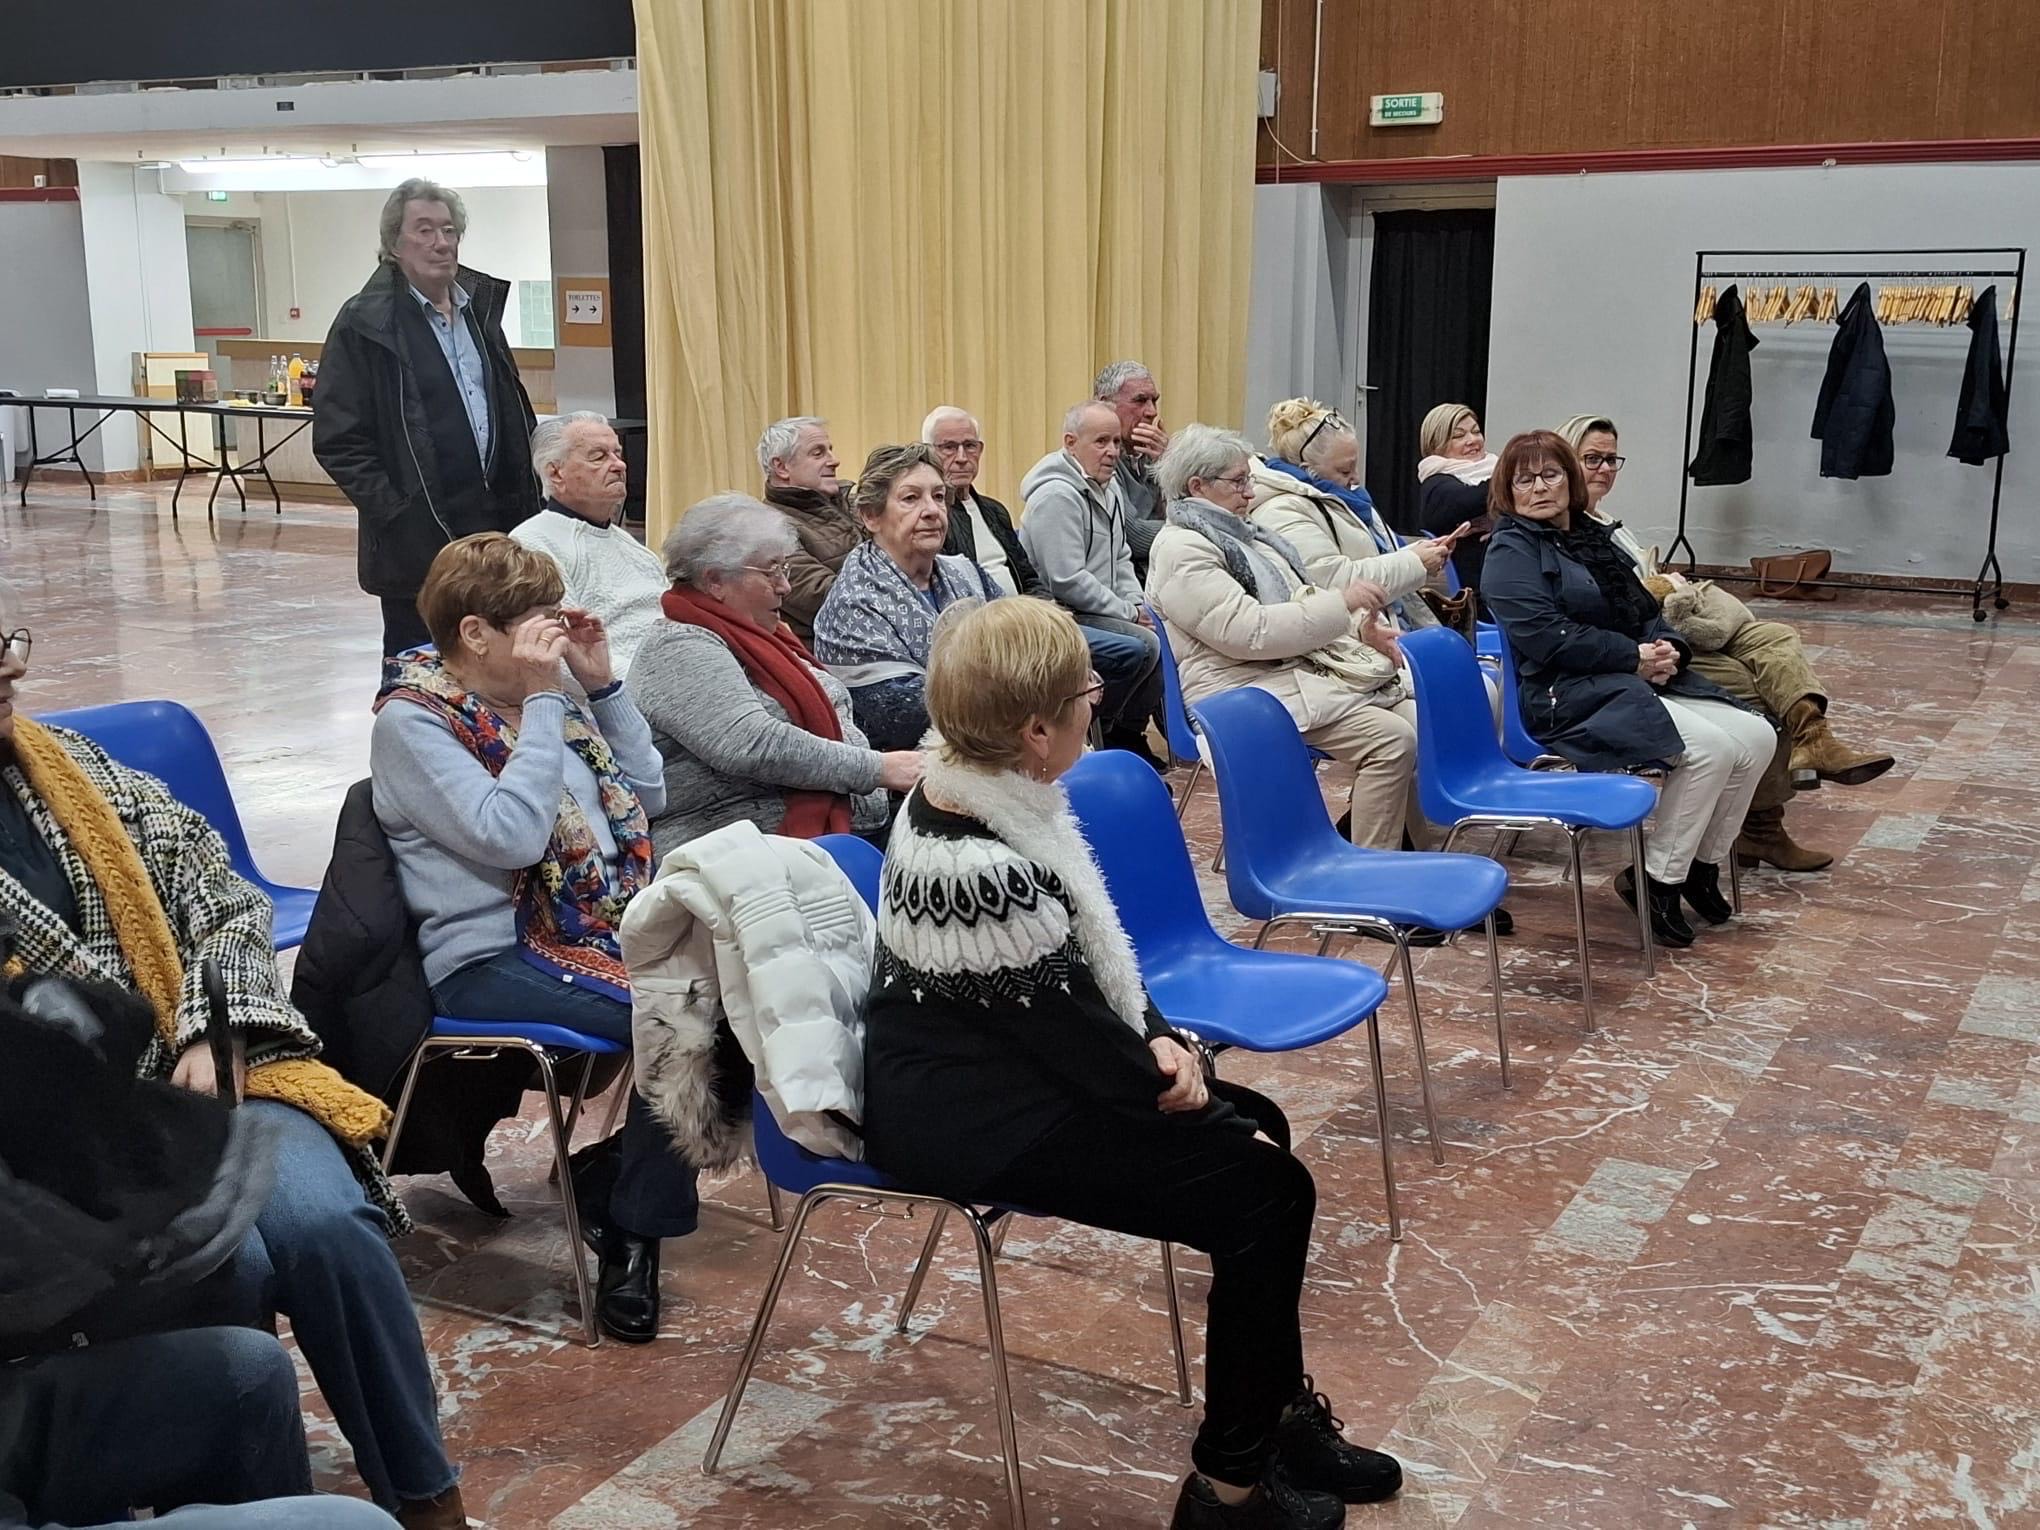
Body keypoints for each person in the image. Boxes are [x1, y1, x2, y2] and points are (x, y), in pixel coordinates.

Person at [862, 597, 1402, 1530]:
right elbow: (1073, 1035)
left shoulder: (983, 785)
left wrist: (1162, 1036)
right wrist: (1183, 1081)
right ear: (1036, 730)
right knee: (1267, 1193)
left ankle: (1276, 1418)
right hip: (969, 1117)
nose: (1098, 697)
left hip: (1017, 1068)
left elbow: (1095, 955)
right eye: (1086, 690)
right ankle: (1227, 1488)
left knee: (1263, 1140)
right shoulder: (976, 867)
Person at [0, 592, 464, 1527]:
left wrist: (214, 1028)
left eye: (6, 640)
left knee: (331, 1231)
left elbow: (224, 895)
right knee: (230, 1265)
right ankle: (247, 1498)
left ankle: (426, 1496)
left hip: (224, 1065)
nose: (12, 666)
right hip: (86, 1150)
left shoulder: (71, 765)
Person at [370, 534, 698, 1345]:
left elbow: (647, 794)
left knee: (759, 994)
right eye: (537, 619)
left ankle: (607, 1175)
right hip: (486, 955)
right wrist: (550, 699)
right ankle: (633, 1240)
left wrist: (602, 684)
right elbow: (512, 836)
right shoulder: (415, 721)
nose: (555, 631)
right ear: (476, 633)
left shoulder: (550, 696)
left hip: (596, 929)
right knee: (680, 1024)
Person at [1557, 414, 1893, 872]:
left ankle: (1815, 737)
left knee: (1776, 637)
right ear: (1567, 460)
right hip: (1641, 648)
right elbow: (1604, 604)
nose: (1604, 469)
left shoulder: (1610, 523)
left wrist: (1668, 587)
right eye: (1592, 458)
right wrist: (1663, 589)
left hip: (1670, 626)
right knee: (1758, 691)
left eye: (1612, 459)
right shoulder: (1566, 529)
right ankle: (1762, 829)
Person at [1480, 432, 1777, 948]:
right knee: (1709, 749)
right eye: (1523, 480)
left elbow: (1645, 609)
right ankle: (1656, 880)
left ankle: (1700, 867)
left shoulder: (1591, 538)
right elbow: (1547, 637)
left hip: (1622, 676)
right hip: (1563, 695)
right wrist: (1632, 658)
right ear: (1507, 491)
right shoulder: (1510, 551)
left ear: (1570, 480)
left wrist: (1667, 649)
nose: (1539, 488)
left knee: (1756, 737)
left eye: (1550, 474)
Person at [1144, 425, 1419, 856]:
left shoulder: (1243, 533)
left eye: (1248, 479)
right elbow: (1251, 634)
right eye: (1238, 481)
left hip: (1288, 671)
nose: (1250, 492)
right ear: (1197, 486)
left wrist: (1359, 629)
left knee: (1422, 723)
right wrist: (1343, 604)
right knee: (1392, 742)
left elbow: (1298, 601)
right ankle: (1373, 876)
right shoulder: (1182, 549)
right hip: (1240, 690)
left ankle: (1418, 853)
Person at [315, 178, 539, 660]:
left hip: (495, 533)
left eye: (449, 230)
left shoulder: (479, 313)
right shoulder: (364, 322)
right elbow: (338, 440)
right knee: (420, 672)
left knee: (499, 666)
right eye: (424, 230)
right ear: (394, 244)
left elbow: (512, 410)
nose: (441, 242)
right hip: (416, 543)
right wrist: (399, 516)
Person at [627, 493, 923, 857]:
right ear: (715, 580)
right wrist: (878, 769)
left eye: (785, 569)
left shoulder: (769, 637)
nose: (785, 586)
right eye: (772, 572)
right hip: (736, 857)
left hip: (829, 841)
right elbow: (751, 743)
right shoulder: (678, 645)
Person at [811, 445, 1005, 751]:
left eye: (938, 496)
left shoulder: (965, 573)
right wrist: (1018, 686)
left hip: (992, 738)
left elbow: (1022, 642)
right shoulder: (853, 604)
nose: (932, 510)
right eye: (911, 498)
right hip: (908, 764)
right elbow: (907, 716)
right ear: (871, 516)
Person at [1018, 402, 1166, 765]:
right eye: (1101, 442)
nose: (1113, 451)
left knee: (1162, 629)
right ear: (1071, 443)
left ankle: (1128, 733)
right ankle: (1102, 731)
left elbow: (1121, 557)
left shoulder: (1109, 489)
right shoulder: (1056, 496)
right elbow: (1066, 580)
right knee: (1144, 644)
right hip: (1063, 613)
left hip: (1101, 607)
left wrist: (1137, 604)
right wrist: (1126, 612)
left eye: (1116, 442)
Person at [1256, 399, 1452, 633]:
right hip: (1353, 637)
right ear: (1308, 470)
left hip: (1387, 623)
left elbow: (1378, 557)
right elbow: (1336, 583)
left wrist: (1421, 552)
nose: (1356, 478)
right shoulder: (1282, 511)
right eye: (1345, 470)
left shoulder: (1350, 500)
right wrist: (1416, 562)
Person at [510, 412, 667, 679]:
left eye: (618, 453)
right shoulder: (531, 544)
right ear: (555, 473)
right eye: (599, 457)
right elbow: (558, 651)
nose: (619, 465)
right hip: (619, 689)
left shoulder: (634, 548)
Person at [757, 416, 863, 641]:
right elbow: (827, 597)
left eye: (830, 450)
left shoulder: (855, 504)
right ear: (781, 467)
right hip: (836, 651)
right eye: (818, 453)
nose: (835, 461)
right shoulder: (768, 529)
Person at [923, 405, 1047, 599]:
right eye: (949, 447)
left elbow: (1029, 579)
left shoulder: (995, 511)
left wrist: (1047, 608)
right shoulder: (931, 516)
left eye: (970, 446)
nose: (962, 458)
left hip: (1022, 611)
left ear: (980, 450)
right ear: (928, 453)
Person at [1095, 360, 1171, 578]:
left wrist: (1169, 466)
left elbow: (1184, 510)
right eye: (1140, 400)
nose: (1152, 412)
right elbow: (1136, 537)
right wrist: (1195, 532)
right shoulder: (1098, 458)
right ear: (1105, 405)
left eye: (1154, 401)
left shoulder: (1154, 453)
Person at [1415, 404, 1497, 591]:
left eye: (1476, 432)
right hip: (1481, 588)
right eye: (1459, 436)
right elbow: (1471, 500)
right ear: (1436, 444)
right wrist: (1512, 475)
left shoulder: (1494, 468)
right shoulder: (1435, 484)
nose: (1472, 440)